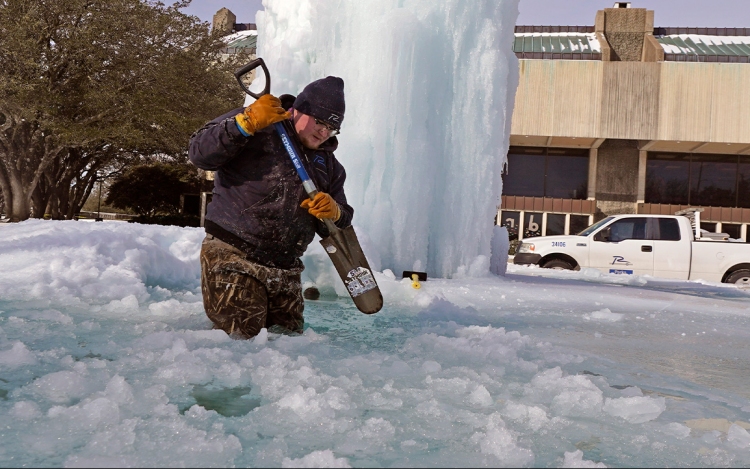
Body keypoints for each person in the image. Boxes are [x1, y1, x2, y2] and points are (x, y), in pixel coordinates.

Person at [188, 77, 353, 338]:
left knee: (288, 350)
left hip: (286, 269)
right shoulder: (257, 122)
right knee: (239, 345)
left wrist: (334, 212)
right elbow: (199, 153)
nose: (324, 133)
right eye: (320, 122)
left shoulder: (330, 166)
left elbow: (342, 221)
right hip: (234, 255)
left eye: (332, 128)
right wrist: (243, 125)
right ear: (296, 110)